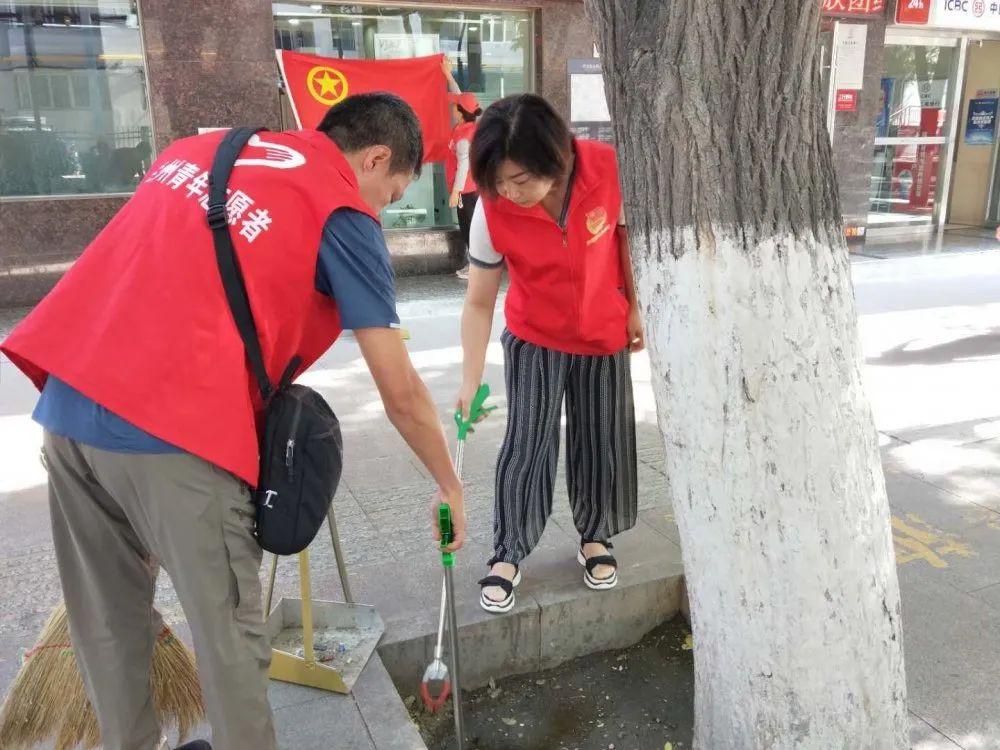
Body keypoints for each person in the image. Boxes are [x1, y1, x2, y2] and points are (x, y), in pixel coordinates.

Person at [0, 93, 465, 750]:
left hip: (69, 408)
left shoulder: (196, 154)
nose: (380, 211)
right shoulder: (340, 211)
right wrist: (449, 484)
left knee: (106, 621)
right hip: (176, 435)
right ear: (377, 157)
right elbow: (401, 391)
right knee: (230, 641)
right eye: (389, 196)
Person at [457, 94, 643, 614]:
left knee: (601, 440)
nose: (509, 193)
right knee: (526, 444)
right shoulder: (492, 208)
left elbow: (628, 242)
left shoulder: (607, 168)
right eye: (498, 182)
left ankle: (596, 536)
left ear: (555, 156)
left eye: (519, 180)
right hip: (535, 335)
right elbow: (477, 302)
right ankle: (508, 552)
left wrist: (637, 307)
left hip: (602, 333)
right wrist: (470, 380)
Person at [442, 58, 482, 281]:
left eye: (455, 106)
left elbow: (463, 166)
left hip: (467, 192)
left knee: (468, 228)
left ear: (460, 112)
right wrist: (448, 75)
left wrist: (456, 191)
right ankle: (474, 263)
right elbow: (459, 96)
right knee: (469, 226)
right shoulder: (465, 125)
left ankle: (475, 266)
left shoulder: (464, 138)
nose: (452, 107)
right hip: (468, 190)